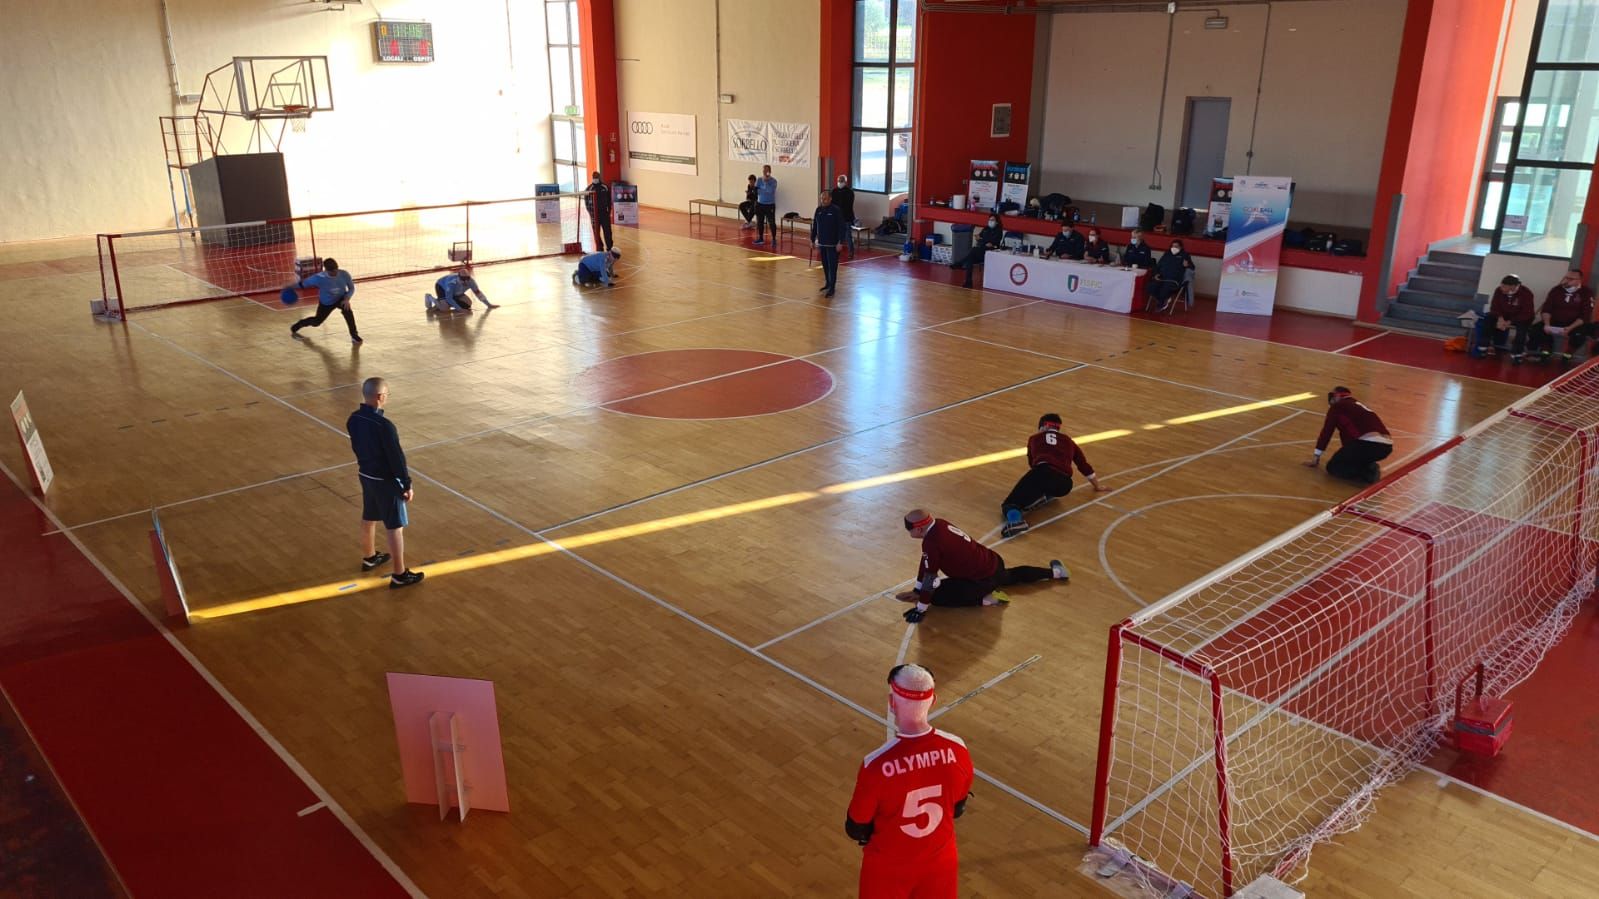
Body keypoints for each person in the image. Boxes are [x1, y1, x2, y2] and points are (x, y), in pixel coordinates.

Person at [846, 664, 973, 899]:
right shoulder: (958, 748)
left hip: (888, 869)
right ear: (933, 701)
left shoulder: (875, 765)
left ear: (891, 703)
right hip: (940, 862)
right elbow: (957, 807)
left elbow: (856, 826)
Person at [894, 509, 1069, 623]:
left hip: (981, 581)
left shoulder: (932, 542)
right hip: (993, 563)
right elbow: (926, 564)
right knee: (1010, 576)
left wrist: (921, 608)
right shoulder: (940, 523)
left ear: (918, 530)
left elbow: (930, 577)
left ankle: (986, 599)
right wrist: (917, 591)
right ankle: (1056, 572)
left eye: (908, 530)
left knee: (937, 595)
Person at [346, 377, 424, 589]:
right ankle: (399, 574)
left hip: (366, 475)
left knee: (369, 516)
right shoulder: (384, 425)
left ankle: (369, 557)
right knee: (395, 527)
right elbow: (396, 458)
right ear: (380, 397)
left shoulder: (353, 419)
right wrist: (406, 484)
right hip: (386, 480)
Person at [1000, 413, 1105, 538]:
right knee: (1047, 484)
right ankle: (1043, 497)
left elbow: (1032, 463)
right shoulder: (1069, 441)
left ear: (1043, 427)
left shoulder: (1034, 438)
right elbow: (1083, 465)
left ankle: (1015, 522)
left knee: (1010, 504)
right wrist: (1097, 486)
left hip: (1043, 472)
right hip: (1065, 484)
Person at [1305, 386, 1392, 484]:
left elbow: (1327, 432)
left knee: (1333, 467)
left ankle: (1368, 473)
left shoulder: (1337, 407)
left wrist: (1316, 456)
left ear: (1336, 396)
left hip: (1368, 445)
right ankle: (1367, 466)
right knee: (1350, 458)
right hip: (1386, 447)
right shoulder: (1357, 405)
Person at [1528, 269, 1596, 364]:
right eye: (1566, 277)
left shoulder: (1586, 292)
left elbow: (1585, 315)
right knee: (1536, 329)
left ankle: (1567, 355)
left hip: (1574, 323)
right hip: (1555, 320)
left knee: (1580, 334)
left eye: (1571, 279)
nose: (1567, 280)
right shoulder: (1556, 290)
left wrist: (1570, 328)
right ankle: (1546, 352)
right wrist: (1547, 324)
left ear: (1579, 280)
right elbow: (1546, 309)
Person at [288, 257, 362, 344]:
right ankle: (300, 324)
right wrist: (289, 287)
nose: (335, 273)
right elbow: (302, 284)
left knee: (347, 310)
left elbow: (351, 288)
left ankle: (354, 335)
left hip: (341, 298)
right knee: (316, 322)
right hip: (326, 303)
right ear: (326, 270)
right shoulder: (318, 278)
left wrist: (347, 299)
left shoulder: (344, 274)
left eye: (336, 270)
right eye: (332, 272)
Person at [1478, 274, 1535, 362]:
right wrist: (1500, 318)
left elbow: (1526, 313)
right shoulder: (1498, 290)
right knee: (1488, 319)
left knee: (1522, 330)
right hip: (1503, 315)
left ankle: (1517, 354)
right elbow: (1494, 307)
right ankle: (1483, 347)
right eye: (1502, 285)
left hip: (1520, 317)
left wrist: (1510, 321)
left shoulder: (1526, 293)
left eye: (1504, 286)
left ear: (1512, 286)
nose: (1502, 288)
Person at [952, 217, 1005, 289]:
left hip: (990, 252)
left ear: (997, 222)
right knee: (970, 259)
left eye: (992, 220)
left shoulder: (998, 231)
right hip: (981, 250)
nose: (990, 221)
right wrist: (980, 239)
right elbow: (980, 238)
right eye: (989, 220)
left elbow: (992, 243)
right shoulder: (986, 229)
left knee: (973, 250)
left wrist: (983, 240)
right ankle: (968, 282)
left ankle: (960, 263)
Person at [812, 189, 846, 298]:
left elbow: (842, 227)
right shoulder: (818, 210)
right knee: (825, 265)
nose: (823, 200)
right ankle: (827, 283)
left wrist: (840, 242)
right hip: (822, 244)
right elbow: (815, 226)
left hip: (833, 245)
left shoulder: (836, 210)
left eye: (825, 198)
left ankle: (832, 287)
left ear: (830, 199)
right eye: (822, 198)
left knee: (832, 266)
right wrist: (812, 240)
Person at [1147, 239, 1196, 313]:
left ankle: (1161, 304)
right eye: (1172, 246)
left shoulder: (1185, 255)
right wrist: (1156, 274)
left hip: (1174, 280)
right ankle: (1164, 299)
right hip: (1162, 277)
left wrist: (1187, 265)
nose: (1174, 248)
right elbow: (1158, 266)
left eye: (1176, 246)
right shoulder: (1167, 254)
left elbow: (1192, 267)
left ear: (1181, 247)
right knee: (1150, 287)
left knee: (1164, 289)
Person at [425, 265, 496, 313]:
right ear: (459, 277)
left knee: (468, 304)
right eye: (463, 279)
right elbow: (449, 298)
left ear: (469, 277)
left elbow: (478, 293)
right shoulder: (451, 283)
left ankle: (441, 303)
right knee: (445, 309)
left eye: (467, 278)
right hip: (442, 286)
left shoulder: (471, 281)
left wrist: (488, 305)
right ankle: (429, 297)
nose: (465, 281)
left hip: (456, 292)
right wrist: (459, 309)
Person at [585, 172, 615, 252]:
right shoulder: (589, 189)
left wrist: (609, 211)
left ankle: (609, 248)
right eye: (594, 177)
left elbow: (609, 200)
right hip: (594, 215)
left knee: (607, 231)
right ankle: (599, 248)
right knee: (596, 233)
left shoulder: (605, 187)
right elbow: (587, 203)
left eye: (597, 177)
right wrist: (591, 213)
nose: (595, 178)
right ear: (592, 177)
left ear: (599, 177)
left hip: (604, 214)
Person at [833, 174, 859, 257]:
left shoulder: (849, 192)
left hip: (846, 217)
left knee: (848, 235)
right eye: (838, 181)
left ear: (845, 182)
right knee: (835, 235)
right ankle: (835, 250)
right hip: (836, 217)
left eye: (841, 181)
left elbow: (848, 205)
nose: (839, 183)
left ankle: (851, 252)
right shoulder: (834, 191)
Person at [753, 165, 779, 246]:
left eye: (766, 170)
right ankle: (761, 238)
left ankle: (774, 239)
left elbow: (770, 191)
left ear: (770, 171)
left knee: (771, 222)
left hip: (770, 205)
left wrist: (765, 183)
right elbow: (757, 191)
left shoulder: (773, 181)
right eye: (763, 170)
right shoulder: (759, 180)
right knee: (760, 222)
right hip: (760, 204)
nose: (765, 172)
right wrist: (762, 190)